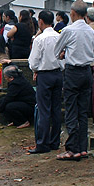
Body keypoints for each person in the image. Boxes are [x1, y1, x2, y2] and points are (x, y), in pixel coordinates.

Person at [53, 0, 94, 161]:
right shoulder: (91, 31)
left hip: (73, 71)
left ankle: (72, 149)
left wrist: (64, 54)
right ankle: (82, 147)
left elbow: (56, 51)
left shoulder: (68, 30)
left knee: (71, 109)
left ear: (72, 13)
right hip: (87, 70)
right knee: (83, 111)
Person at [27, 10, 63, 153]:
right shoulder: (59, 36)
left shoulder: (40, 39)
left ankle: (42, 143)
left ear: (40, 21)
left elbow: (34, 62)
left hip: (44, 75)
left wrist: (35, 70)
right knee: (56, 109)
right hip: (58, 73)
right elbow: (63, 57)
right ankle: (55, 142)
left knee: (43, 110)